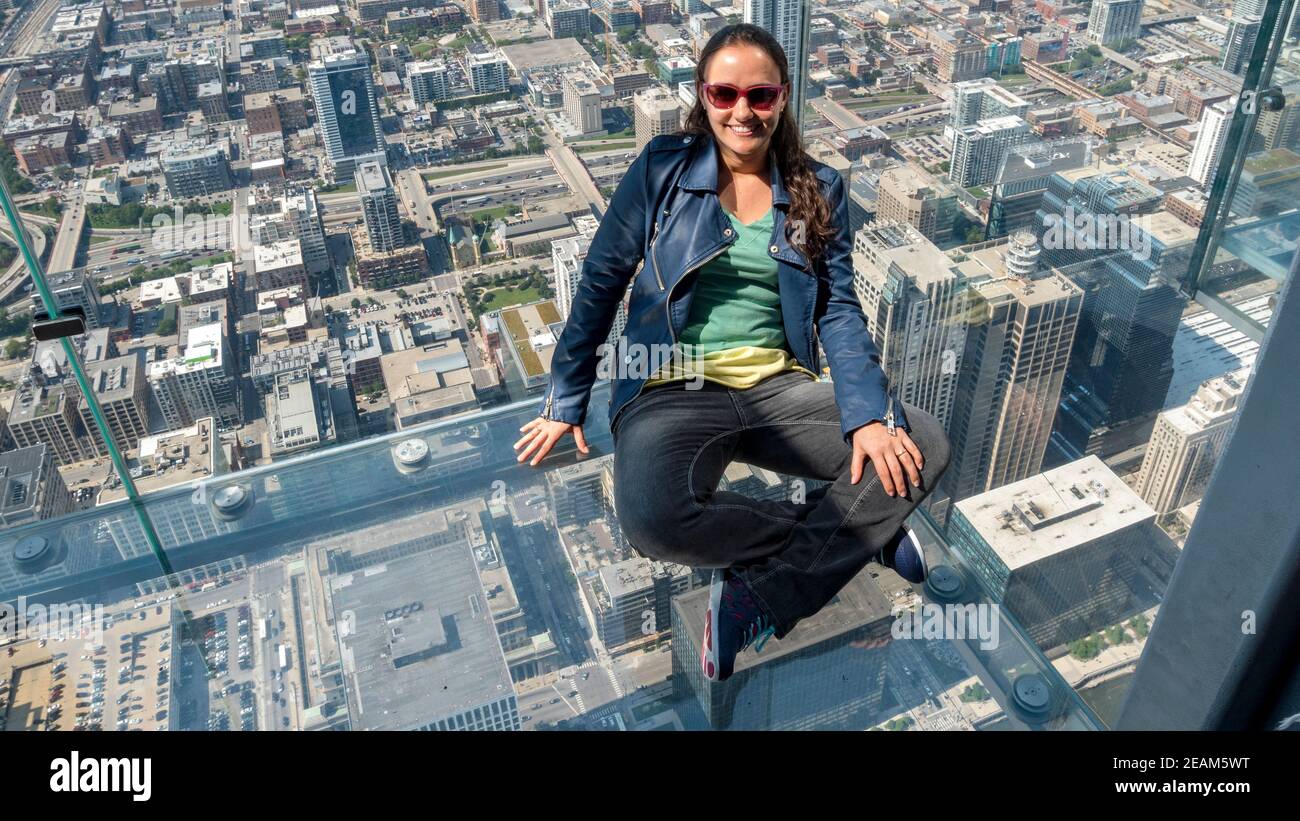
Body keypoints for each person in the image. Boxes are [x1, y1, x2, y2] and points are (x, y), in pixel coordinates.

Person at [514, 24, 951, 682]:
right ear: (703, 96)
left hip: (778, 391)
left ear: (782, 97)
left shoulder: (816, 190)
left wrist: (866, 415)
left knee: (922, 441)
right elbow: (602, 279)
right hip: (669, 391)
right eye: (724, 92)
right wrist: (566, 398)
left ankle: (756, 597)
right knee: (654, 520)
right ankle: (860, 531)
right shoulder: (662, 170)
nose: (741, 109)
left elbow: (836, 308)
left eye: (760, 93)